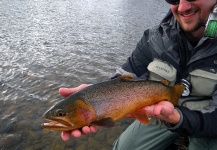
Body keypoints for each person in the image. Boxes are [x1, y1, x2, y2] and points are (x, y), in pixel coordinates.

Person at [59, 0, 217, 149]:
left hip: (208, 118)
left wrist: (179, 119)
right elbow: (128, 74)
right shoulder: (155, 37)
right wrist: (97, 96)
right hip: (163, 113)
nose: (182, 7)